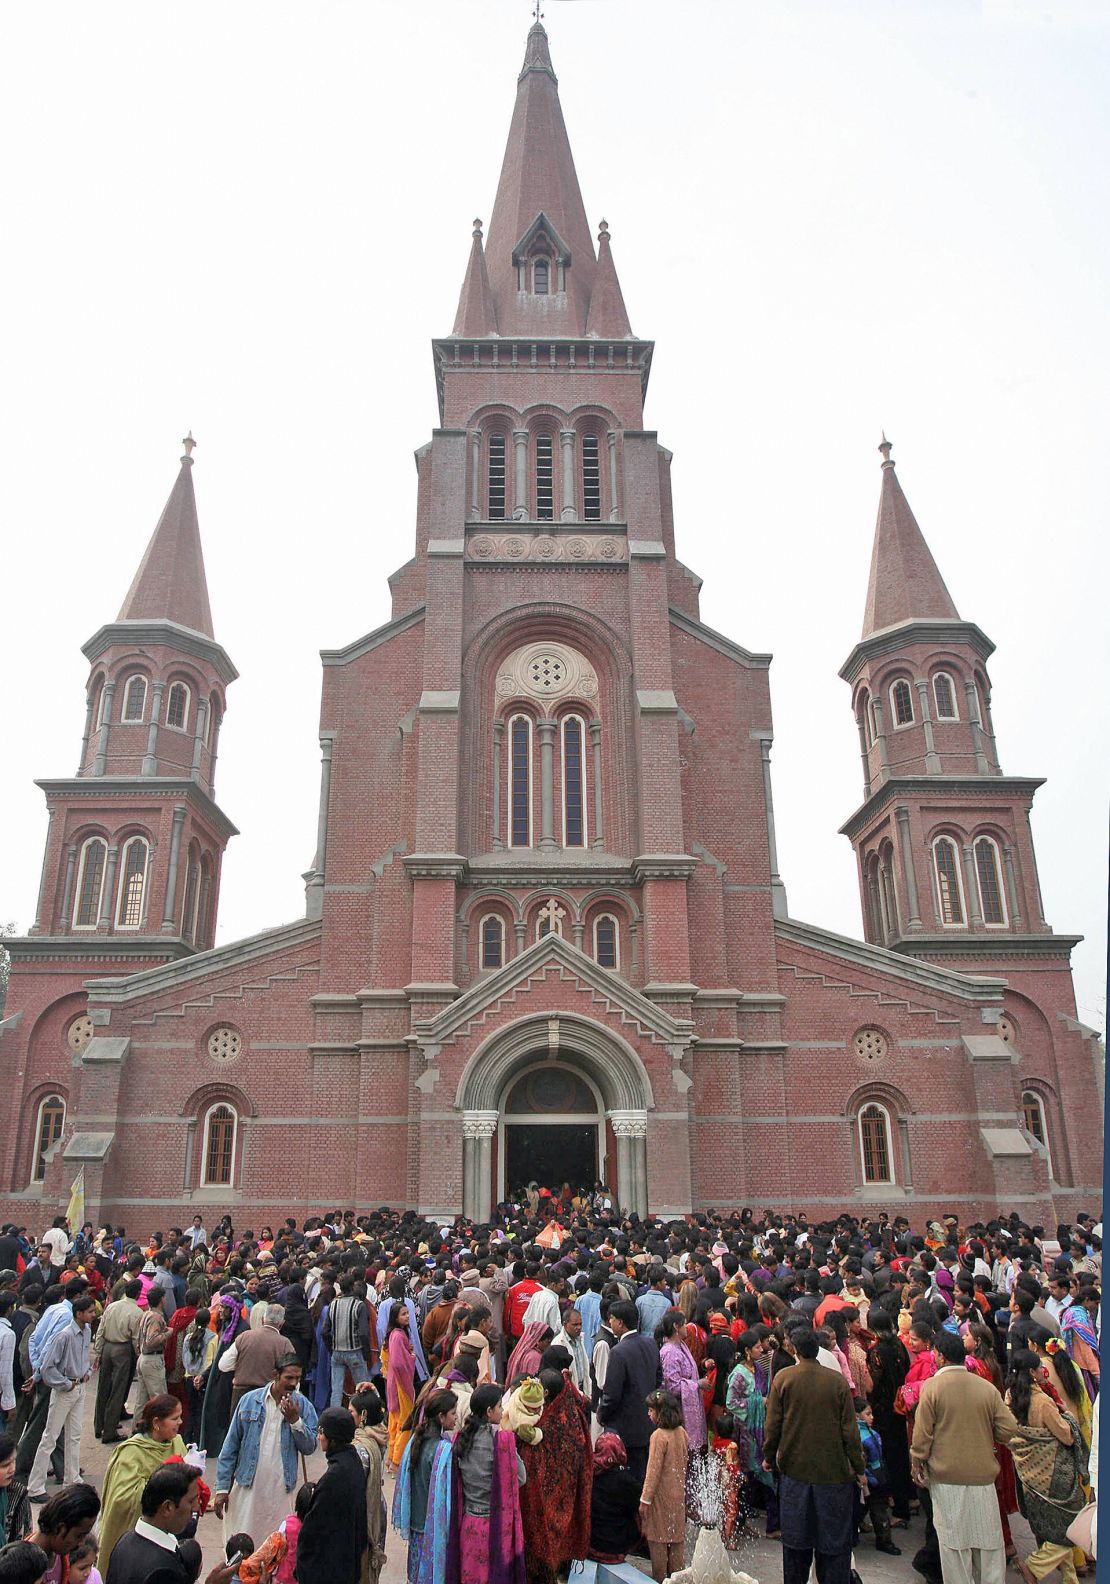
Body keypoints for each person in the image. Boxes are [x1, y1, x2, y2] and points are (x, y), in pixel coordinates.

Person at [910, 1329, 1019, 1584]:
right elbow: (1008, 1428)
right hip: (982, 1477)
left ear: (939, 1356)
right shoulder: (985, 1388)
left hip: (946, 1478)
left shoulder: (932, 1387)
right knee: (988, 1543)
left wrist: (917, 1463)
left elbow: (922, 1435)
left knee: (954, 1545)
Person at [762, 1326, 866, 1584]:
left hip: (795, 1472)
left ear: (795, 1350)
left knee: (796, 1548)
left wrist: (768, 1456)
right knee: (833, 1547)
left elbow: (772, 1426)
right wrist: (858, 1466)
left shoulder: (785, 1379)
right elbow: (850, 1432)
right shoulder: (836, 1381)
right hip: (834, 1474)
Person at [214, 1356, 318, 1554]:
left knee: (275, 1550)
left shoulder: (302, 1406)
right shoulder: (249, 1402)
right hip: (248, 1488)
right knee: (241, 1548)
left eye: (298, 1378)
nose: (294, 1383)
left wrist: (295, 1421)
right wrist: (221, 1489)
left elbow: (310, 1447)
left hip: (280, 1491)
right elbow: (230, 1447)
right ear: (275, 1375)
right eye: (289, 1378)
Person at [1005, 1350, 1088, 1584]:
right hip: (1053, 1473)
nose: (1045, 1371)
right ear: (1032, 1372)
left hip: (1029, 1475)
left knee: (1049, 1526)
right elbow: (1067, 1436)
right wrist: (1068, 1415)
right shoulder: (1042, 1402)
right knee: (1068, 1529)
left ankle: (1070, 1579)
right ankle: (1034, 1566)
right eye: (1041, 1368)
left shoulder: (1010, 1396)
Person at [97, 1395, 188, 1567]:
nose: (180, 1422)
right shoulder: (131, 1452)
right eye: (174, 1418)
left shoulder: (177, 1443)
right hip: (136, 1538)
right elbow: (122, 1499)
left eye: (180, 1417)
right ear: (156, 1423)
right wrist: (163, 1490)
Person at [518, 1370, 591, 1584]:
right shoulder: (573, 1418)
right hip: (566, 1500)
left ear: (547, 1393)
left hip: (544, 1503)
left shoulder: (546, 1422)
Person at [449, 1381, 526, 1584]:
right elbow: (521, 1478)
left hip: (468, 1524)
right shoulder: (502, 1440)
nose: (502, 1411)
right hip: (495, 1526)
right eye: (500, 1407)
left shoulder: (460, 1438)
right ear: (489, 1411)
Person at [25, 1296, 94, 1500]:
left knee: (74, 1435)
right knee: (50, 1437)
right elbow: (47, 1367)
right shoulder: (63, 1336)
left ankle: (72, 1478)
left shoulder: (86, 1331)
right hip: (65, 1389)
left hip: (79, 1387)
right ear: (79, 1314)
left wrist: (87, 1371)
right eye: (89, 1311)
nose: (93, 1314)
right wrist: (65, 1383)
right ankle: (35, 1486)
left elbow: (83, 1358)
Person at [294, 1406, 369, 1584]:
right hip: (348, 1562)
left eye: (321, 1432)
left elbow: (313, 1531)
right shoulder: (352, 1462)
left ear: (332, 1437)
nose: (319, 1437)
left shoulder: (334, 1476)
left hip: (330, 1569)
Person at [392, 1389, 456, 1584]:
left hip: (416, 1524)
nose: (456, 1417)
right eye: (453, 1413)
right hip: (433, 1527)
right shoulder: (443, 1450)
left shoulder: (415, 1441)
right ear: (441, 1416)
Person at [597, 1300, 661, 1490]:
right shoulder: (650, 1344)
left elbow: (612, 1394)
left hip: (625, 1428)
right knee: (644, 1476)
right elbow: (658, 1379)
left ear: (621, 1322)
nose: (610, 1322)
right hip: (648, 1423)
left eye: (612, 1319)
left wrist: (602, 1415)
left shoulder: (618, 1352)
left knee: (628, 1481)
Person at [104, 1461, 200, 1583]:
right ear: (168, 1507)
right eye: (191, 1501)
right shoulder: (163, 1571)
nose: (196, 1507)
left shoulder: (124, 1541)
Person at [639, 1389, 688, 1583]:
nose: (649, 1414)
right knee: (676, 1545)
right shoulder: (682, 1433)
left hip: (660, 1499)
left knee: (658, 1545)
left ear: (661, 1412)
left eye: (651, 1410)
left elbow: (652, 1473)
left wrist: (644, 1500)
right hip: (678, 1497)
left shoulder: (659, 1436)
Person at [92, 1281, 144, 1444]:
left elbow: (101, 1329)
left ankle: (98, 1426)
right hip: (123, 1349)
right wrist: (139, 1356)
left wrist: (98, 1351)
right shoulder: (136, 1312)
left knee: (103, 1388)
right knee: (117, 1391)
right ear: (138, 1294)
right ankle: (109, 1430)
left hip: (108, 1346)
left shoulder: (112, 1306)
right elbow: (136, 1338)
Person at [217, 1308, 293, 1409]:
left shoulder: (244, 1336)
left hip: (241, 1395)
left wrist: (241, 1367)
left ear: (262, 1320)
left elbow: (223, 1365)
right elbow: (291, 1374)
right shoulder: (285, 1344)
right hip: (268, 1396)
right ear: (281, 1324)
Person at [350, 1387, 388, 1584]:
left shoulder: (360, 1448)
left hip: (367, 1510)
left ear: (363, 1415)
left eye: (351, 1413)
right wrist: (374, 1393)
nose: (350, 1417)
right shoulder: (379, 1433)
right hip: (377, 1505)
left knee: (363, 1567)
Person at [26, 1485, 101, 1584]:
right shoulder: (22, 1568)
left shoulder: (62, 1559)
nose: (81, 1543)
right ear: (60, 1528)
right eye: (79, 1536)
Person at [854, 1395, 900, 1555]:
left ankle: (857, 1534)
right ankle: (884, 1541)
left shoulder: (871, 1434)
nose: (872, 1417)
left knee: (866, 1508)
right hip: (869, 1480)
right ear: (857, 1415)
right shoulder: (861, 1436)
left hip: (875, 1478)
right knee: (877, 1512)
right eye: (868, 1414)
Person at [657, 1309, 707, 1451]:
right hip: (677, 1412)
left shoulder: (681, 1347)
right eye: (684, 1325)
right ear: (676, 1327)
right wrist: (697, 1384)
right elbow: (672, 1387)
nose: (687, 1328)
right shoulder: (670, 1352)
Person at [383, 1306, 417, 1473]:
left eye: (407, 1313)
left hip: (393, 1382)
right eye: (403, 1314)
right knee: (405, 1422)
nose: (407, 1316)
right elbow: (398, 1363)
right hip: (400, 1385)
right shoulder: (398, 1336)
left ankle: (391, 1458)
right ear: (395, 1318)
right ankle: (397, 1461)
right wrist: (411, 1358)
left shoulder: (394, 1334)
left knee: (395, 1421)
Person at [133, 1286, 170, 1414]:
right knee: (159, 1400)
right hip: (152, 1359)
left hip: (144, 1358)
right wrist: (167, 1333)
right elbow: (151, 1340)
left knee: (141, 1402)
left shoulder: (146, 1314)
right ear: (161, 1300)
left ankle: (137, 1430)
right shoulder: (155, 1317)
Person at [550, 1308, 589, 1397]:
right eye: (575, 1325)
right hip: (569, 1391)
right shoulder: (558, 1343)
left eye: (580, 1324)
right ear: (565, 1324)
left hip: (582, 1388)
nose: (578, 1327)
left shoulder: (579, 1339)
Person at [0, 1433, 30, 1547]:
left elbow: (23, 1542)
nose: (12, 1469)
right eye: (5, 1465)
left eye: (14, 1461)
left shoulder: (18, 1494)